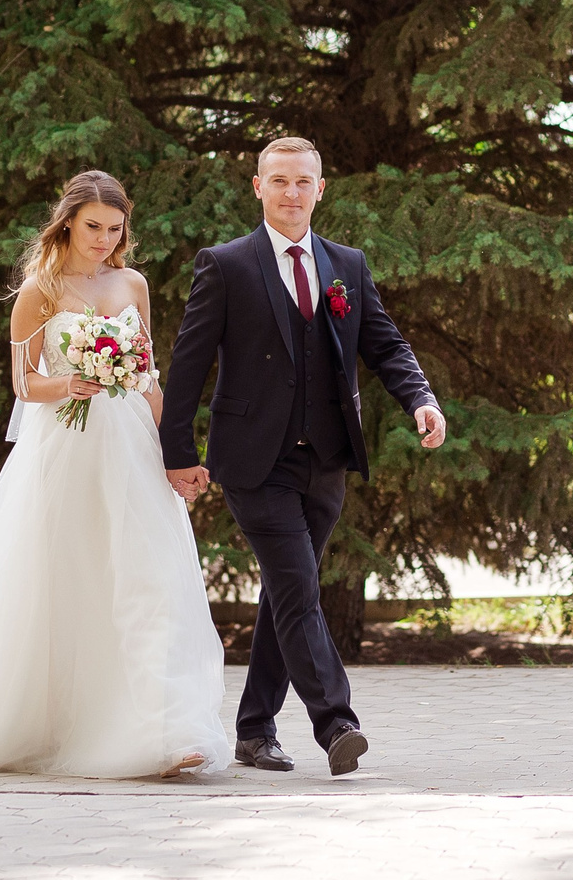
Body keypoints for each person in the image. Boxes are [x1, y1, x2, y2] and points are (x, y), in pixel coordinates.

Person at [0, 171, 228, 780]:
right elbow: (23, 383)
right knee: (70, 580)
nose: (104, 240)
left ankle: (166, 732)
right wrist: (71, 382)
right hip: (70, 446)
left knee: (149, 579)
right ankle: (61, 724)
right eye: (93, 227)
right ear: (67, 224)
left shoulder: (133, 284)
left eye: (115, 229)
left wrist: (177, 455)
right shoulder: (40, 290)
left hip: (132, 444)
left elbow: (149, 376)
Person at [158, 136, 447, 776]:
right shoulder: (225, 265)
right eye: (279, 180)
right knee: (296, 587)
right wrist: (178, 452)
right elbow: (189, 366)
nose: (292, 192)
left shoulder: (347, 264)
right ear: (258, 187)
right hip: (253, 460)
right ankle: (336, 722)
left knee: (288, 594)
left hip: (327, 459)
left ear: (321, 189)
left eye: (303, 182)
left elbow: (386, 344)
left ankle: (254, 730)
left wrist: (421, 400)